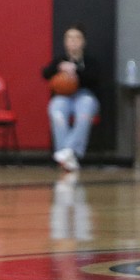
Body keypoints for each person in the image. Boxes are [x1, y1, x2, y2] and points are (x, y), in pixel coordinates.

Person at [41, 25, 101, 172]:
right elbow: (45, 74)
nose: (73, 41)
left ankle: (66, 152)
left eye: (77, 38)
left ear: (83, 42)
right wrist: (59, 69)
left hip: (84, 95)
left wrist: (77, 72)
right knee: (56, 111)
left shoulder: (90, 61)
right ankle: (68, 157)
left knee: (84, 114)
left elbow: (95, 79)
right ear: (65, 42)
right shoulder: (60, 60)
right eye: (69, 38)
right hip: (64, 96)